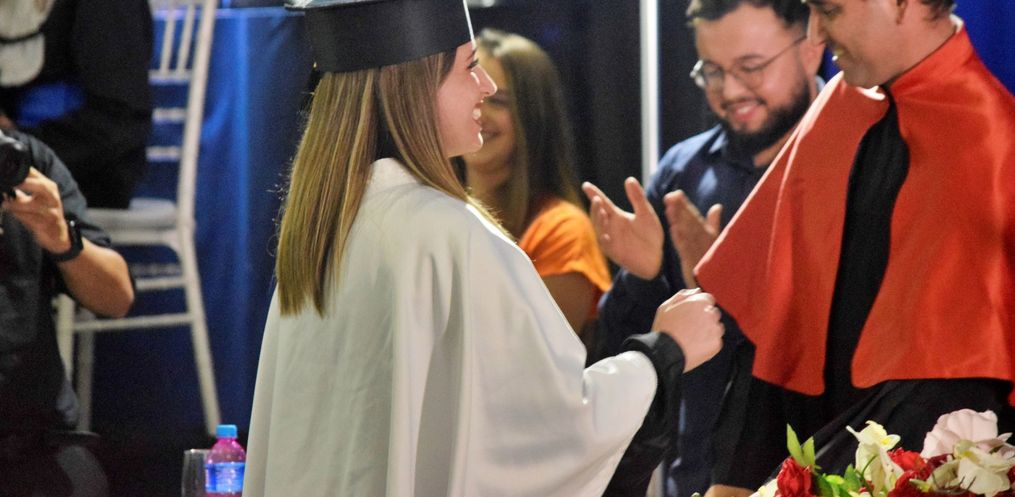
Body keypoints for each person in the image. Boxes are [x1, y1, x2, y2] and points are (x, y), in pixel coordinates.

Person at [243, 0, 725, 495]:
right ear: (416, 88)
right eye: (469, 67)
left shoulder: (323, 234)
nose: (487, 86)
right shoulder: (450, 235)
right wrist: (663, 353)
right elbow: (546, 435)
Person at [693, 1, 1015, 496]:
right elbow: (780, 331)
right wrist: (734, 479)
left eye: (830, 10)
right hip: (798, 452)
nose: (815, 34)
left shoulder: (996, 141)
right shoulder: (837, 107)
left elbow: (965, 381)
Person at [580, 0, 823, 495]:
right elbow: (625, 349)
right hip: (692, 473)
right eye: (712, 71)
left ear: (812, 46)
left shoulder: (853, 159)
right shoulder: (684, 170)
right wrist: (644, 276)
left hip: (816, 472)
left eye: (751, 67)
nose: (729, 91)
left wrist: (733, 288)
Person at [0, 129, 134, 496]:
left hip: (33, 442)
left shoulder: (19, 161)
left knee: (81, 477)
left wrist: (62, 240)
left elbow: (117, 298)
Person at [460, 29, 610, 335]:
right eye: (471, 95)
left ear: (532, 116)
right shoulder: (430, 205)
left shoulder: (564, 231)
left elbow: (531, 354)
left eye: (498, 101)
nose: (479, 112)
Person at [0, 0, 153, 208]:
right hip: (21, 158)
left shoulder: (107, 8)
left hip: (85, 172)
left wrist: (19, 142)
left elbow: (118, 121)